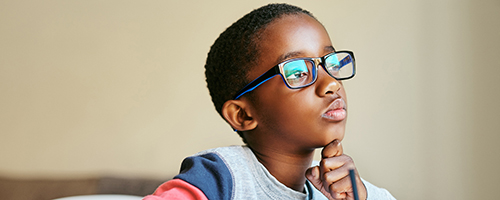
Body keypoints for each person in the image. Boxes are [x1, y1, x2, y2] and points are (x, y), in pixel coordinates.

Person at [144, 3, 396, 200]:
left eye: (331, 64)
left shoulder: (354, 191)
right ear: (242, 115)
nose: (332, 83)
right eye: (298, 72)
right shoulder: (222, 178)